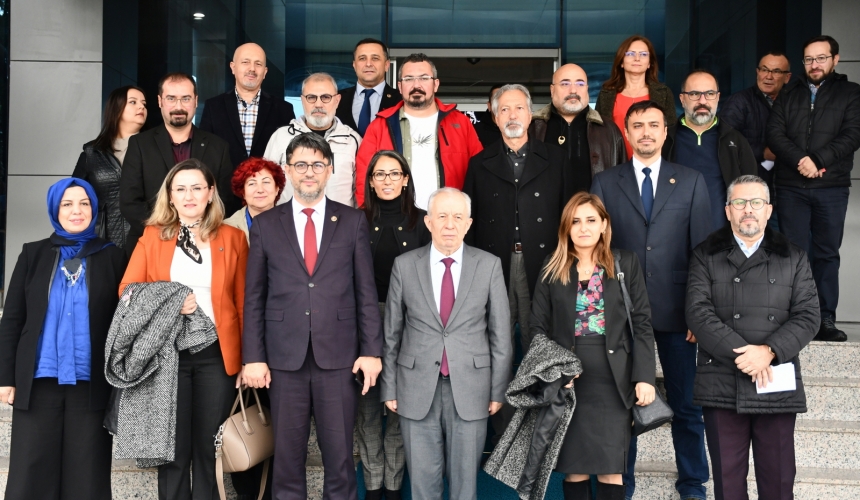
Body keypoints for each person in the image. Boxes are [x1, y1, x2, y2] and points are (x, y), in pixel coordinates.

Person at [242, 133, 382, 500]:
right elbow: (254, 297)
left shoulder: (352, 221)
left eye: (317, 165)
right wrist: (253, 358)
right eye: (301, 164)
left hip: (338, 357)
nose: (309, 172)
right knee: (287, 459)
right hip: (283, 358)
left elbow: (365, 291)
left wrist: (371, 351)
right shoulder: (266, 225)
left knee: (339, 457)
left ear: (330, 170)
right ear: (288, 170)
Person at [591, 100, 712, 500]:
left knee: (687, 405)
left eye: (653, 125)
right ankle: (621, 485)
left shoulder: (691, 180)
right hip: (620, 314)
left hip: (680, 312)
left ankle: (692, 483)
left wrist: (699, 314)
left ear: (665, 132)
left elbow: (702, 253)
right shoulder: (606, 182)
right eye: (637, 125)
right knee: (623, 406)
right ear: (626, 133)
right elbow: (595, 250)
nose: (645, 132)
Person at [686, 175, 820, 499]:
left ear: (769, 210)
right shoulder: (705, 255)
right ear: (727, 210)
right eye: (740, 203)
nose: (749, 210)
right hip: (721, 381)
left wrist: (769, 351)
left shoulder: (794, 256)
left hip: (775, 379)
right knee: (728, 486)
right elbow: (697, 314)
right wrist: (747, 356)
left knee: (778, 484)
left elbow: (809, 315)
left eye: (756, 203)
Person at [120, 159, 248, 498]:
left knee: (210, 447)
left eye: (196, 187)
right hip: (166, 357)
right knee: (172, 450)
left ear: (210, 194)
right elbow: (127, 292)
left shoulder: (233, 238)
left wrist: (248, 359)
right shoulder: (152, 237)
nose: (188, 195)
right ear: (170, 197)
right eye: (180, 189)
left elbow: (245, 302)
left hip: (217, 357)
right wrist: (169, 300)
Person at [381, 187, 513, 500]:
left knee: (464, 485)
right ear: (428, 222)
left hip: (472, 387)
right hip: (414, 386)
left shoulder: (489, 265)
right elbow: (391, 333)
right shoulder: (404, 265)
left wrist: (497, 389)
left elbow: (500, 335)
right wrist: (389, 387)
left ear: (469, 224)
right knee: (423, 485)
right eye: (442, 216)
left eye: (457, 217)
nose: (449, 224)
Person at [0, 178, 126, 500]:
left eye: (84, 203)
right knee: (31, 473)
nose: (76, 211)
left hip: (91, 384)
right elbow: (12, 319)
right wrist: (6, 378)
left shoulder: (112, 256)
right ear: (55, 210)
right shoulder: (33, 254)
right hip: (38, 381)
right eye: (67, 204)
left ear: (94, 210)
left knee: (87, 477)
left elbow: (123, 318)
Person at [530, 192, 656, 500]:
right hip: (570, 384)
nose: (583, 228)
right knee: (575, 468)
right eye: (575, 221)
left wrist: (645, 377)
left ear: (604, 225)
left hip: (615, 383)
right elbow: (536, 328)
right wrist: (557, 371)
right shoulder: (553, 265)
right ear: (566, 228)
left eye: (590, 220)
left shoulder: (624, 262)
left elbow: (641, 323)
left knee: (612, 468)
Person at [766, 35, 860, 342]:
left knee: (826, 253)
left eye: (821, 58)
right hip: (792, 185)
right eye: (809, 59)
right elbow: (775, 135)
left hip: (831, 186)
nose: (814, 64)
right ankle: (794, 316)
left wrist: (818, 160)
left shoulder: (851, 94)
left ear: (836, 59)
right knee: (792, 253)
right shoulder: (788, 94)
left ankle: (824, 318)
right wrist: (801, 161)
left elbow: (852, 135)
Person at [464, 84, 566, 355]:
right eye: (504, 109)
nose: (512, 115)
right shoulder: (478, 162)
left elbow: (568, 216)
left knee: (541, 334)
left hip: (546, 261)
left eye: (519, 108)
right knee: (497, 337)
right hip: (495, 261)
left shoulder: (555, 158)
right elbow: (470, 222)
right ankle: (498, 397)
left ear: (530, 115)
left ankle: (538, 396)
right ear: (495, 118)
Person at [357, 150, 431, 500]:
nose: (387, 180)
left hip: (411, 324)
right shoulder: (354, 220)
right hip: (364, 322)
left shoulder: (424, 221)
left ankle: (394, 485)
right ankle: (373, 486)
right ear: (370, 181)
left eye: (394, 173)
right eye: (379, 174)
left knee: (401, 406)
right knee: (368, 406)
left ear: (405, 179)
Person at [120, 72, 238, 255]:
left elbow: (226, 201)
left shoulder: (218, 147)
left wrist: (196, 231)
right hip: (150, 246)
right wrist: (168, 231)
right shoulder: (140, 144)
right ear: (160, 101)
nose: (178, 106)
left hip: (205, 245)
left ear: (196, 101)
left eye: (185, 99)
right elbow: (129, 201)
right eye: (171, 99)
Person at [354, 53, 483, 209]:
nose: (416, 85)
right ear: (400, 87)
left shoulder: (460, 123)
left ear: (435, 84)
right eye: (408, 79)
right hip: (396, 221)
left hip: (447, 221)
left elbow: (480, 174)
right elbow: (363, 177)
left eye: (424, 78)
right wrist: (369, 216)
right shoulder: (379, 126)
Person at [663, 69, 758, 230]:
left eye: (709, 94)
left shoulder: (735, 140)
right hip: (673, 233)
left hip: (722, 235)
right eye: (694, 94)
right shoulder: (666, 139)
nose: (702, 100)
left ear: (718, 97)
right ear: (682, 99)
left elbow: (752, 190)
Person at [263, 72, 361, 207]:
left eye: (326, 97)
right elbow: (265, 185)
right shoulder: (281, 137)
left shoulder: (353, 140)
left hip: (340, 225)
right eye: (311, 97)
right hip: (288, 225)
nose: (318, 104)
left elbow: (361, 190)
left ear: (337, 100)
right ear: (302, 100)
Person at [530, 63, 627, 197]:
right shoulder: (533, 127)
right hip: (545, 215)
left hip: (592, 215)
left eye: (580, 84)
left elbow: (623, 181)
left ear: (587, 89)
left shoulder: (608, 130)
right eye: (565, 84)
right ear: (552, 90)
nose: (573, 90)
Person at [72, 85, 147, 249]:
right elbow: (74, 196)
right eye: (133, 102)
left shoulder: (154, 150)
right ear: (116, 108)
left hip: (144, 239)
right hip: (102, 240)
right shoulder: (92, 152)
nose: (141, 106)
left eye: (144, 103)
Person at [199, 43, 296, 169]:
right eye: (245, 62)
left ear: (265, 72)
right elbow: (205, 153)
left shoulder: (283, 109)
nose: (252, 69)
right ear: (233, 67)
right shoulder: (213, 107)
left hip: (267, 186)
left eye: (258, 64)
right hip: (224, 186)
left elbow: (291, 155)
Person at [720, 53, 792, 215]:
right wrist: (763, 152)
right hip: (751, 194)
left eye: (776, 71)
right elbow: (724, 143)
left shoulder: (793, 104)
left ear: (787, 77)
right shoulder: (739, 102)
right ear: (757, 72)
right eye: (764, 70)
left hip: (787, 191)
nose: (768, 76)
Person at [595, 35, 676, 158]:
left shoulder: (663, 93)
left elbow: (670, 134)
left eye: (643, 54)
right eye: (631, 54)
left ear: (649, 63)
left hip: (652, 164)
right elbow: (598, 133)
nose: (637, 58)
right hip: (614, 164)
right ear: (621, 62)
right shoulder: (606, 94)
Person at [335, 38, 402, 137]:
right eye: (362, 58)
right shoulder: (336, 99)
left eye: (375, 58)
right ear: (354, 65)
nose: (368, 64)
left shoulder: (401, 100)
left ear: (387, 65)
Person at [224, 156, 287, 242]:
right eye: (252, 184)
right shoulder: (227, 227)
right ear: (243, 192)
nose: (260, 190)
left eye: (266, 182)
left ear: (277, 189)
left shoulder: (293, 222)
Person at [466, 84, 503, 149]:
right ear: (489, 106)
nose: (501, 104)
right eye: (496, 100)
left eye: (505, 99)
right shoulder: (475, 131)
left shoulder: (523, 130)